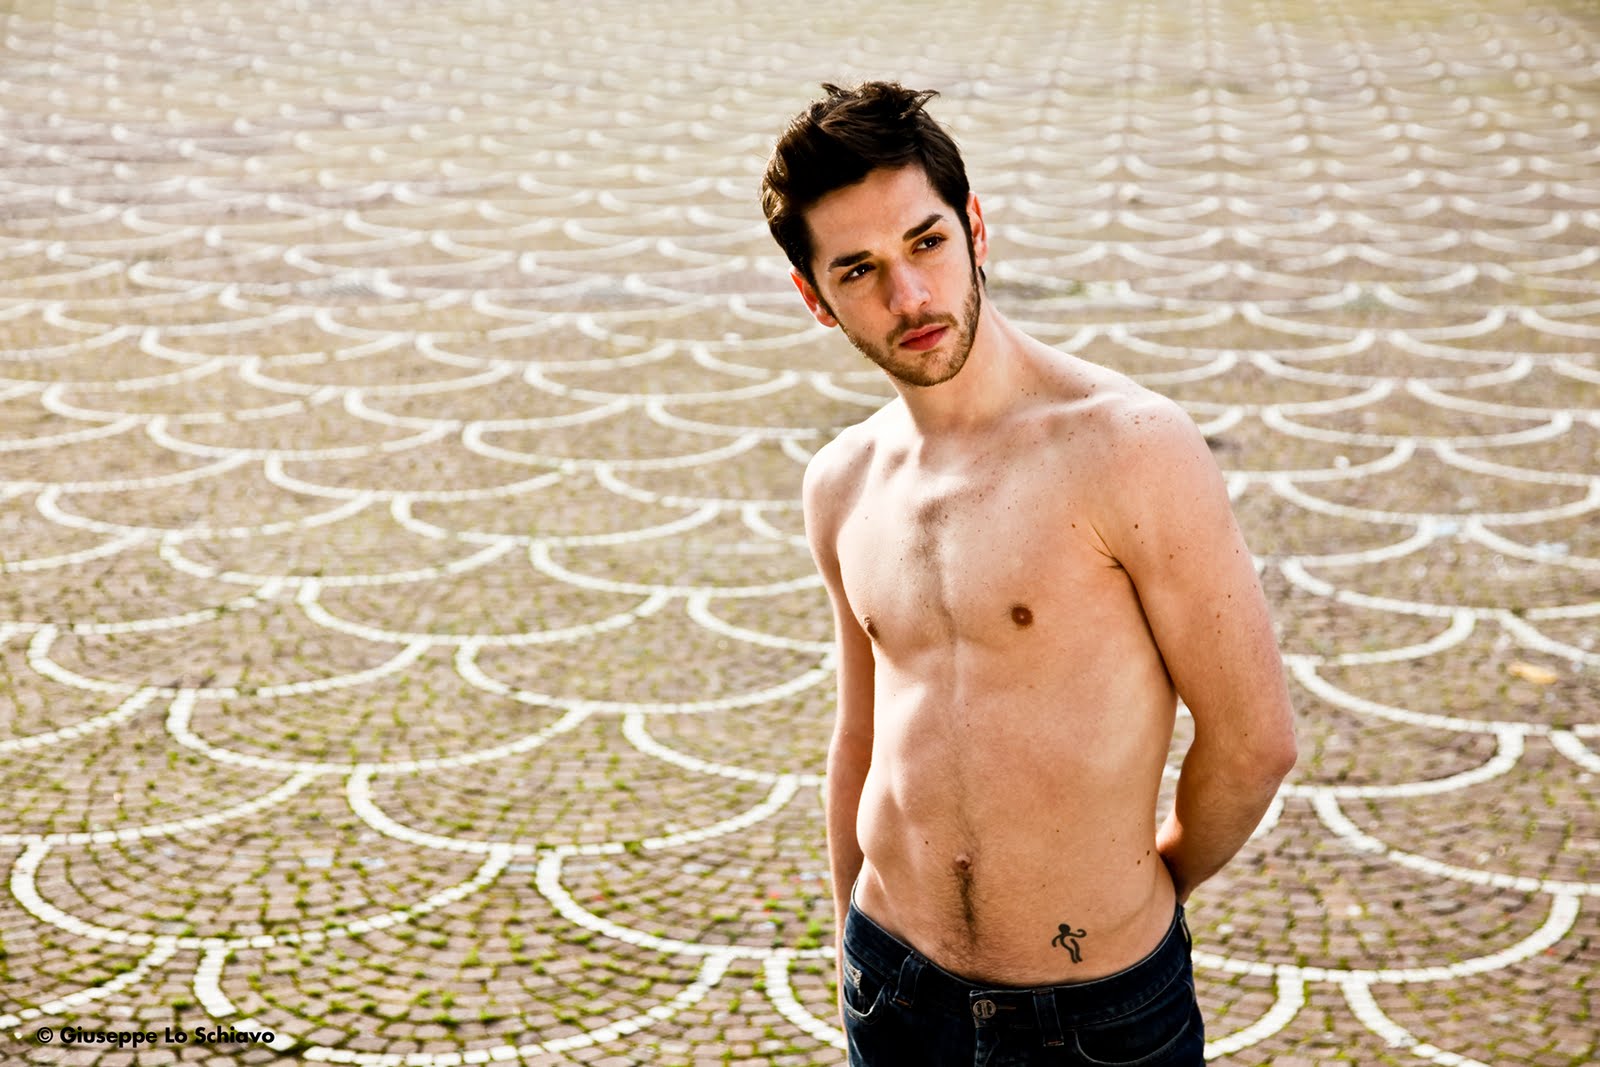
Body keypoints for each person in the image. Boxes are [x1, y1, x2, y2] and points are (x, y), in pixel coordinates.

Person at [760, 81, 1298, 1066]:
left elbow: (1255, 740)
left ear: (974, 227)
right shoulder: (840, 482)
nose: (909, 297)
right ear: (814, 297)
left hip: (1097, 1015)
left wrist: (1139, 889)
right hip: (893, 986)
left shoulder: (1129, 447)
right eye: (859, 270)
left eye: (926, 243)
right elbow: (861, 735)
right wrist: (848, 937)